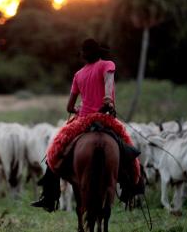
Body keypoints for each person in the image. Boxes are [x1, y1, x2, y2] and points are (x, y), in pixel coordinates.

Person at [31, 38, 142, 212]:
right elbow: (109, 81)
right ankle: (133, 188)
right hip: (106, 118)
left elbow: (69, 106)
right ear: (99, 53)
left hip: (82, 121)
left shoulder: (78, 74)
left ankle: (49, 196)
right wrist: (107, 100)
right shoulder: (107, 64)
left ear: (83, 55)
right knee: (131, 153)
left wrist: (77, 109)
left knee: (53, 154)